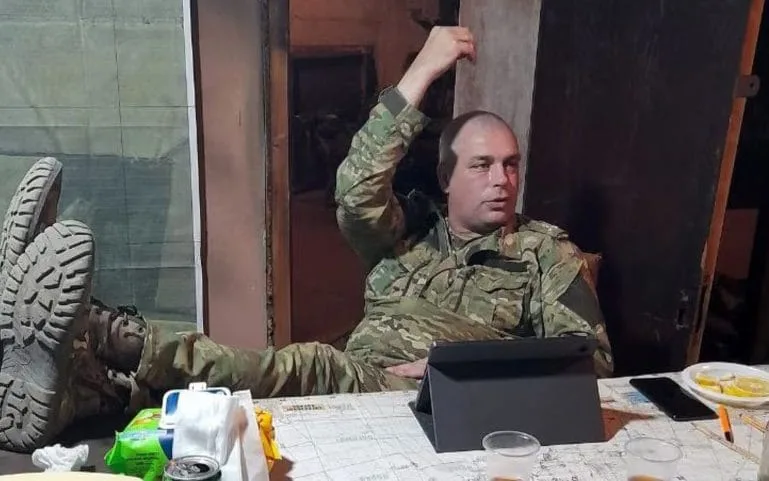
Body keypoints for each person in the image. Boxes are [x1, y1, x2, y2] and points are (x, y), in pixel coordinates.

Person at [0, 26, 612, 454]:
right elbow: (355, 189)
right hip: (363, 379)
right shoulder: (409, 234)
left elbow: (591, 368)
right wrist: (421, 71)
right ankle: (88, 385)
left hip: (435, 404)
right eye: (482, 166)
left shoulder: (543, 253)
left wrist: (463, 370)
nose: (502, 179)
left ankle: (106, 330)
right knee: (251, 386)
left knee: (305, 364)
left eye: (511, 164)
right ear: (447, 178)